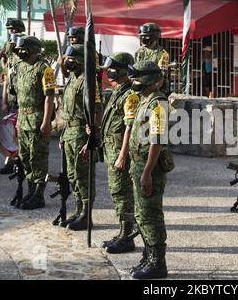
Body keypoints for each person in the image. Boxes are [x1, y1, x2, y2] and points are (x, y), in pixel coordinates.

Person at [127, 60, 171, 279]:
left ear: (153, 81)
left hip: (149, 167)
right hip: (138, 164)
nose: (135, 82)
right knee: (141, 214)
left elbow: (157, 141)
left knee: (151, 214)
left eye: (139, 78)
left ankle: (157, 263)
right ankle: (148, 255)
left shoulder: (158, 104)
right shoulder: (146, 100)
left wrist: (146, 172)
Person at [58, 44, 102, 231]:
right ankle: (78, 210)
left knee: (83, 176)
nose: (68, 62)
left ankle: (86, 215)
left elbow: (96, 110)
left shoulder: (88, 81)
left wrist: (91, 138)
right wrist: (62, 135)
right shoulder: (72, 79)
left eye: (72, 58)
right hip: (69, 133)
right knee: (72, 176)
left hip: (81, 135)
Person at [99, 52, 139, 253]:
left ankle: (127, 237)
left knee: (122, 194)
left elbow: (129, 128)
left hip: (119, 151)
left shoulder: (130, 94)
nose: (109, 71)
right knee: (117, 193)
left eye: (113, 68)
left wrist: (123, 155)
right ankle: (123, 231)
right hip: (110, 149)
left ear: (124, 70)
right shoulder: (118, 91)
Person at [13, 36, 56, 210]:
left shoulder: (44, 69)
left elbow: (49, 97)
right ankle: (30, 191)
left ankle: (38, 195)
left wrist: (46, 122)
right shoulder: (20, 67)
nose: (20, 52)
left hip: (37, 119)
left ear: (32, 50)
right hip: (22, 119)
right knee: (25, 158)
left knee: (37, 157)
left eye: (23, 49)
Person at [0, 19, 26, 174]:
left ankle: (21, 163)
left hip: (23, 102)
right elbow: (6, 81)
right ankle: (10, 162)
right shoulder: (10, 60)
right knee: (10, 134)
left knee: (21, 135)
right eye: (10, 30)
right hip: (12, 101)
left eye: (14, 30)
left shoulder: (24, 55)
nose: (11, 33)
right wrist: (4, 100)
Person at [135, 23, 170, 96]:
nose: (143, 39)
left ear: (154, 37)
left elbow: (160, 80)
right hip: (141, 89)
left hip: (156, 91)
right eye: (142, 37)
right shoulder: (139, 52)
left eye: (146, 36)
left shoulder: (162, 54)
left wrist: (148, 92)